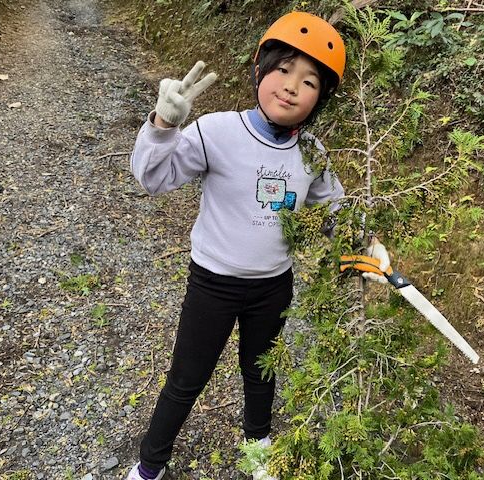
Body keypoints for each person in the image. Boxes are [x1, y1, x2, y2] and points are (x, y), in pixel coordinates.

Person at [127, 11, 346, 480]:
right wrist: (163, 124)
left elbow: (336, 211)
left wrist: (364, 243)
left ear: (319, 100)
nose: (291, 86)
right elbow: (152, 178)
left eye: (309, 82)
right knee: (186, 380)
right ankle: (150, 463)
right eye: (283, 70)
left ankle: (257, 448)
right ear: (259, 70)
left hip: (273, 287)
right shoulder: (217, 132)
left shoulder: (312, 153)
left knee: (261, 373)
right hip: (213, 285)